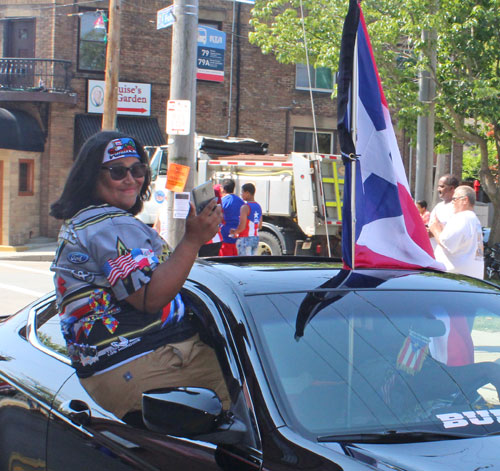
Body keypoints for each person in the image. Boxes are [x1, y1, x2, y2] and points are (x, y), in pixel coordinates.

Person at [49, 131, 229, 420]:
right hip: (145, 361)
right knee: (253, 394)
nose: (131, 179)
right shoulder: (108, 224)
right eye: (118, 171)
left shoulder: (87, 221)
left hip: (117, 367)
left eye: (138, 170)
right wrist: (193, 240)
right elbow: (150, 297)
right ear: (91, 176)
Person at [429, 185, 484, 279]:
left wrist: (435, 228)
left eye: (454, 199)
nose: (452, 203)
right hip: (469, 278)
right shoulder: (473, 219)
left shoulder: (461, 217)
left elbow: (446, 242)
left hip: (454, 278)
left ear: (465, 200)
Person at [230, 183, 263, 255]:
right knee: (252, 263)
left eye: (242, 192)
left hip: (245, 239)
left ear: (247, 193)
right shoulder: (258, 206)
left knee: (243, 263)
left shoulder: (245, 207)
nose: (241, 195)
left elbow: (242, 226)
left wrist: (234, 232)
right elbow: (260, 226)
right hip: (255, 238)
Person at [219, 178, 244, 256]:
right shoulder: (241, 201)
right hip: (238, 237)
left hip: (225, 236)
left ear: (223, 189)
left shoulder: (222, 201)